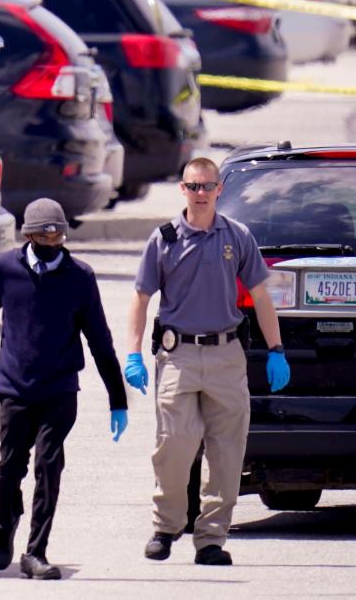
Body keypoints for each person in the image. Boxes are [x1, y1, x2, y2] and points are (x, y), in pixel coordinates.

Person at [0, 198, 127, 580]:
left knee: (49, 466)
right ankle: (8, 518)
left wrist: (117, 399)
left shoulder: (79, 276)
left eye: (58, 232)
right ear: (29, 235)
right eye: (44, 233)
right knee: (8, 469)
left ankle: (36, 551)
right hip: (15, 388)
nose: (52, 239)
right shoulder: (4, 269)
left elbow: (100, 340)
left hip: (60, 390)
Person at [124, 157, 291, 566]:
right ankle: (166, 528)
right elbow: (141, 297)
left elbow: (261, 296)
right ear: (182, 189)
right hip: (178, 354)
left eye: (207, 186)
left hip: (226, 356)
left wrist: (276, 350)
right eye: (193, 186)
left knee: (227, 451)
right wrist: (132, 353)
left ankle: (212, 539)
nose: (200, 194)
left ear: (219, 190)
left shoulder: (238, 236)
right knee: (174, 445)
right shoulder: (163, 239)